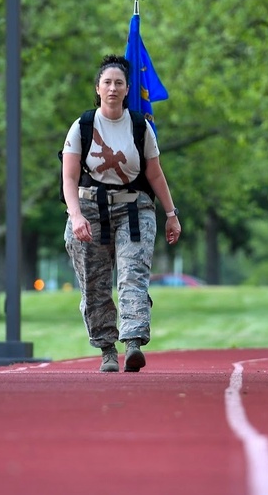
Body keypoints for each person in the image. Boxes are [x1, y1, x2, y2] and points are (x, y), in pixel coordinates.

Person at [61, 54, 181, 373]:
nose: (113, 88)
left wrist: (171, 213)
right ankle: (106, 350)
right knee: (95, 283)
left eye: (119, 83)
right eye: (107, 83)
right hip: (89, 207)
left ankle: (132, 343)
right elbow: (69, 177)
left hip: (134, 207)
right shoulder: (83, 126)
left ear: (128, 89)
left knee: (132, 274)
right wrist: (76, 216)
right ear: (97, 89)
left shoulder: (140, 127)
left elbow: (155, 174)